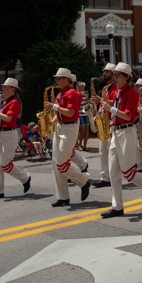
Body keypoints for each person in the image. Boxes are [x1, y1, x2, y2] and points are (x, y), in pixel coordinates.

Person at [101, 62, 142, 218]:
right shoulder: (116, 91)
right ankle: (117, 207)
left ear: (127, 77)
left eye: (118, 75)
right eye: (115, 75)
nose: (115, 77)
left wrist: (111, 109)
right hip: (116, 131)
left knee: (128, 171)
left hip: (127, 131)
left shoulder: (132, 93)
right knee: (113, 171)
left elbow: (128, 115)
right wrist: (105, 110)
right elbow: (115, 110)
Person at [44, 68, 91, 207]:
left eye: (59, 78)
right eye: (56, 78)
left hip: (70, 127)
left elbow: (70, 113)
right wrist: (50, 122)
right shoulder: (61, 93)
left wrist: (54, 106)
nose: (56, 81)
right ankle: (63, 197)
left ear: (67, 79)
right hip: (60, 126)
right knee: (55, 164)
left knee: (61, 163)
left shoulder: (72, 93)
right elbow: (59, 112)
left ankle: (83, 180)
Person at [0, 78, 31, 199]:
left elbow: (8, 118)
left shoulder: (14, 102)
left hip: (10, 134)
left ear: (13, 89)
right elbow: (6, 120)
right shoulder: (6, 101)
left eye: (6, 87)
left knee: (5, 164)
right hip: (3, 133)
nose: (3, 89)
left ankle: (25, 177)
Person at [92, 63, 117, 188]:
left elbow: (117, 101)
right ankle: (105, 177)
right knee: (103, 151)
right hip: (104, 121)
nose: (104, 74)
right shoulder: (105, 88)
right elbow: (104, 104)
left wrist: (101, 100)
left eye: (107, 72)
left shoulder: (117, 86)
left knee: (112, 153)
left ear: (113, 73)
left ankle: (114, 176)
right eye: (104, 71)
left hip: (113, 122)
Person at [77, 81, 90, 151]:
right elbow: (76, 105)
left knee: (87, 129)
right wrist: (79, 96)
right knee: (82, 129)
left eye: (83, 87)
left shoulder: (85, 94)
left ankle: (85, 145)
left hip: (85, 113)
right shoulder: (76, 94)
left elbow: (88, 104)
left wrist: (87, 98)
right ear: (78, 87)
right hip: (79, 113)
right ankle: (79, 145)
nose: (82, 88)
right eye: (81, 86)